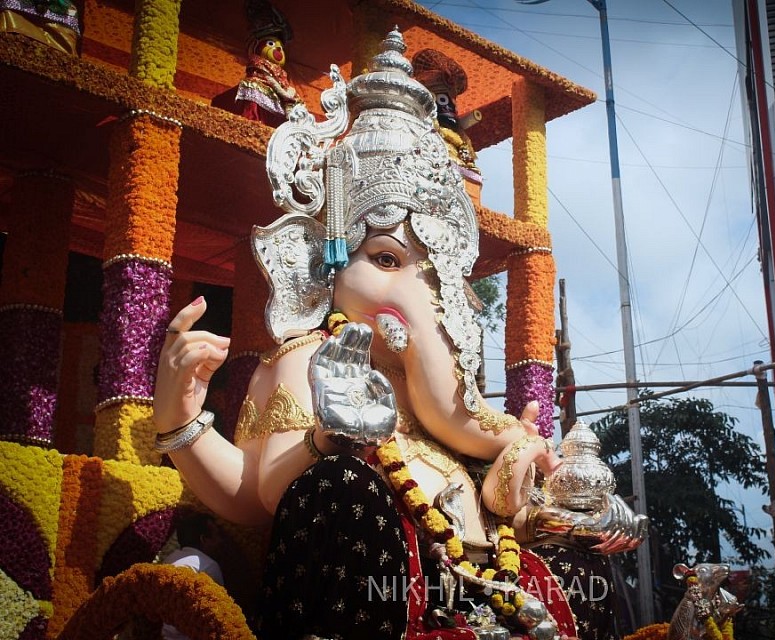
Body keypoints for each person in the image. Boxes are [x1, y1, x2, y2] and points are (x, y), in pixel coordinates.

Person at [153, 29, 645, 640]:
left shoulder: (430, 381)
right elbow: (255, 493)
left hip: (474, 586)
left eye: (431, 275)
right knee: (339, 488)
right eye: (385, 261)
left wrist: (553, 506)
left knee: (577, 564)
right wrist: (187, 419)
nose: (414, 290)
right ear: (324, 261)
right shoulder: (308, 361)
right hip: (372, 595)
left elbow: (497, 493)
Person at [160, 513, 226, 640]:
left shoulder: (170, 558)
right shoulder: (209, 566)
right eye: (217, 535)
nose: (220, 541)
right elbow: (219, 613)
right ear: (204, 539)